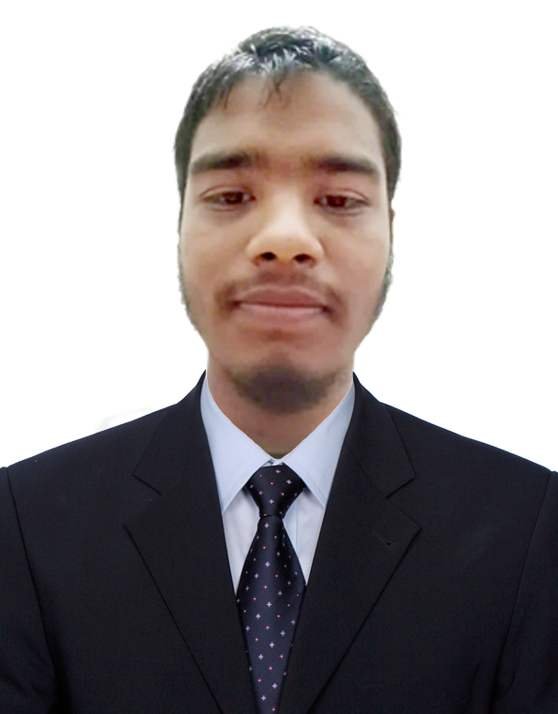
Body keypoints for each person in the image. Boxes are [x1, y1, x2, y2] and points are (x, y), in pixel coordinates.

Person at [1, 25, 557, 714]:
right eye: (232, 196)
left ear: (390, 231)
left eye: (339, 200)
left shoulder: (525, 529)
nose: (285, 240)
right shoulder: (28, 526)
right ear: (180, 225)